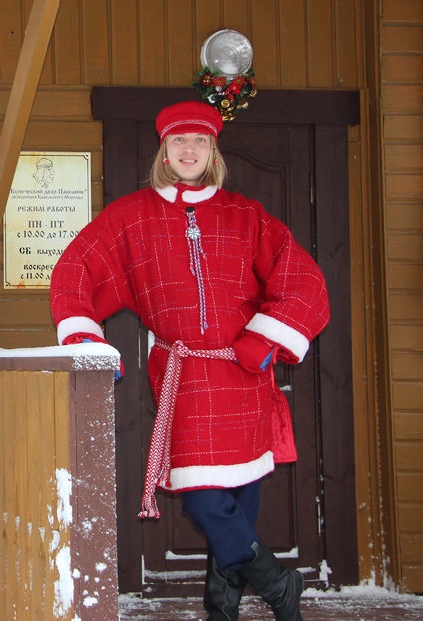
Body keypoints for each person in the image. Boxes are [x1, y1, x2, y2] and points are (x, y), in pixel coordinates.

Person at [49, 100, 329, 621]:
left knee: (241, 499)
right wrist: (87, 341)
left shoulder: (246, 214)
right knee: (204, 499)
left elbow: (303, 278)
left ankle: (221, 609)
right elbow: (75, 272)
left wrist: (264, 339)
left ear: (213, 151)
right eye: (179, 140)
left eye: (199, 140)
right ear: (164, 151)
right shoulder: (131, 216)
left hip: (244, 372)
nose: (189, 149)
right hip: (185, 377)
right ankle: (278, 584)